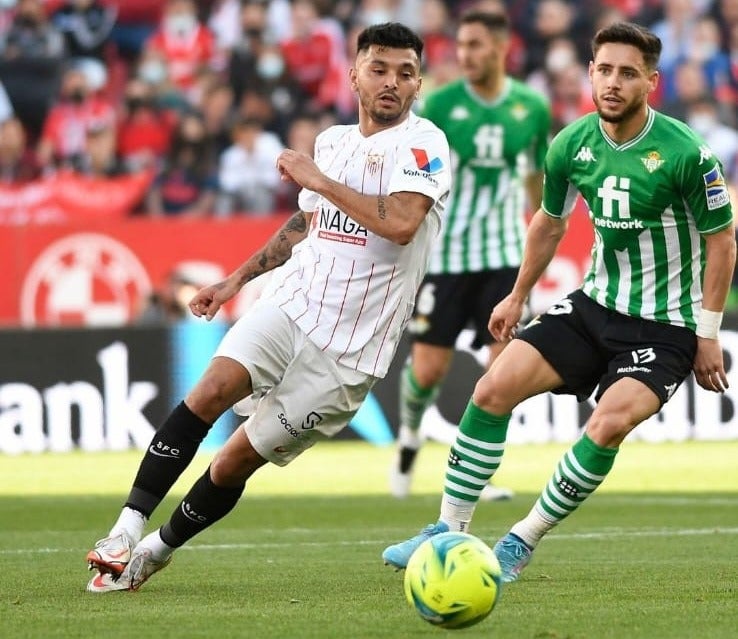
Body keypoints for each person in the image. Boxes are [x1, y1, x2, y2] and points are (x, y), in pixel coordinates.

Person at [85, 21, 451, 593]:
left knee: (234, 461)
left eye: (405, 73)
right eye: (378, 68)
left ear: (418, 83)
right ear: (354, 75)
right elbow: (306, 224)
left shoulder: (424, 144)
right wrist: (234, 281)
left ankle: (155, 551)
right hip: (292, 305)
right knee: (207, 393)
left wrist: (319, 180)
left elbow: (403, 224)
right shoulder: (332, 140)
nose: (391, 82)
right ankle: (123, 530)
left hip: (349, 355)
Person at [382, 21, 736, 583]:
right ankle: (448, 530)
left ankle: (522, 538)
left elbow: (722, 241)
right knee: (492, 388)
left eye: (626, 73)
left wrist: (708, 332)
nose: (612, 82)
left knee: (609, 423)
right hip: (594, 305)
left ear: (651, 82)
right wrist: (518, 294)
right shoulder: (571, 143)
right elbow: (549, 222)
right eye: (603, 70)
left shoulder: (687, 154)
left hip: (665, 326)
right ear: (590, 74)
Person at [388, 10, 551, 501]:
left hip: (503, 256)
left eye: (476, 45)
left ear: (501, 49)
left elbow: (534, 182)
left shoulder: (530, 107)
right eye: (460, 45)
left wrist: (540, 225)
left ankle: (470, 476)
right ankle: (409, 437)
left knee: (502, 373)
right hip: (446, 257)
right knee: (428, 372)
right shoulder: (439, 104)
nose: (465, 54)